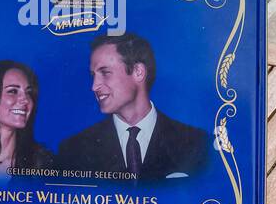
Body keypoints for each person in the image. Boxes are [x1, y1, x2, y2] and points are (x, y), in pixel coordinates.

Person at [57, 33, 209, 181]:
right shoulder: (74, 150)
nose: (94, 86)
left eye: (105, 72)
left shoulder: (195, 144)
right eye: (93, 75)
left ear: (138, 72)